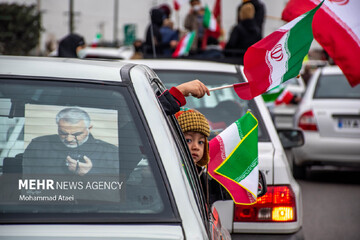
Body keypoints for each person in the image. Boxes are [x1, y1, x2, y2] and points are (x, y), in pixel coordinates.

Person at [23, 107, 118, 176]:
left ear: (89, 128)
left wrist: (89, 174)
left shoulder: (111, 153)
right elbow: (24, 185)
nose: (68, 139)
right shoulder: (38, 146)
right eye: (63, 133)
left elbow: (117, 192)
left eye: (76, 134)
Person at [175, 108, 225, 205]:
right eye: (188, 140)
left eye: (201, 142)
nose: (196, 147)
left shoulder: (203, 175)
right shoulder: (171, 170)